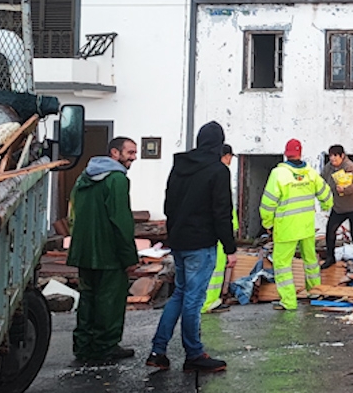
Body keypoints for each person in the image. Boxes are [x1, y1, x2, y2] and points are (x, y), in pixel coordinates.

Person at [146, 122, 235, 373]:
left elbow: (168, 206)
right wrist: (230, 248)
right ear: (219, 144)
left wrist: (174, 234)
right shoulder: (218, 170)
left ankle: (158, 350)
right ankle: (194, 354)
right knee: (193, 300)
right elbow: (222, 212)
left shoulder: (180, 167)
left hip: (180, 241)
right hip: (201, 243)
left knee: (180, 294)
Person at [68, 137, 139, 365]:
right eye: (130, 152)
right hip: (109, 254)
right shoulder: (117, 179)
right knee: (110, 302)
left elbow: (73, 213)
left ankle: (83, 346)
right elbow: (121, 220)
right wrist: (129, 256)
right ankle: (104, 347)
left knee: (87, 300)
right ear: (114, 153)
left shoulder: (83, 177)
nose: (134, 157)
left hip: (84, 252)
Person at [260, 138, 333, 311]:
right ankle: (315, 292)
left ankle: (289, 301)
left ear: (286, 154)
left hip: (286, 228)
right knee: (310, 260)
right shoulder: (310, 173)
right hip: (306, 226)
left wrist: (268, 222)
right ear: (300, 153)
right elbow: (326, 193)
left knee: (282, 264)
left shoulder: (278, 174)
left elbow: (268, 203)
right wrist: (325, 207)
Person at [202, 144, 237, 314]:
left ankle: (211, 300)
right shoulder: (220, 172)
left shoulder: (208, 170)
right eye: (230, 156)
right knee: (216, 267)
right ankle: (208, 302)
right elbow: (223, 208)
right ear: (226, 155)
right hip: (219, 231)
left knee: (215, 267)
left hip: (216, 229)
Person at [321, 145, 353, 269]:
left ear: (342, 156)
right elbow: (321, 180)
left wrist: (346, 189)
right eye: (330, 156)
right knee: (330, 230)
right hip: (339, 207)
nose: (333, 159)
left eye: (335, 156)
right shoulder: (329, 168)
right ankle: (330, 258)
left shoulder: (350, 167)